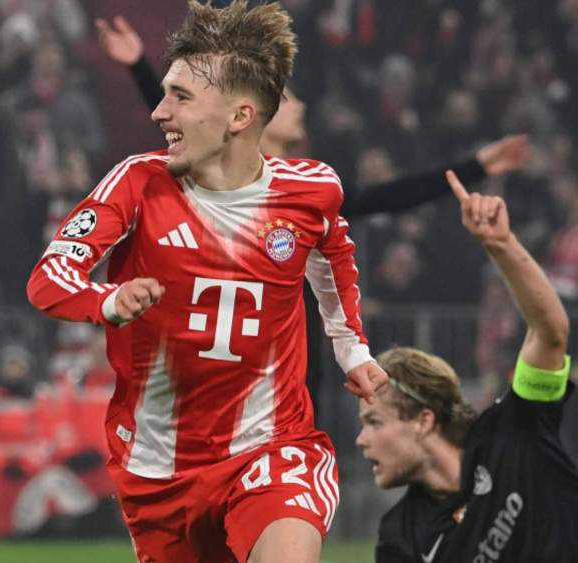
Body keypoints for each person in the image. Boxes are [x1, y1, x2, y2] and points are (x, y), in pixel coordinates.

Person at [27, 2, 387, 562]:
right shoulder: (136, 184)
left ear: (240, 117)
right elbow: (49, 281)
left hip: (272, 448)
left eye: (180, 97)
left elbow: (332, 253)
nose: (158, 112)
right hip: (157, 468)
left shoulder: (312, 190)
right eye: (165, 92)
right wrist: (110, 299)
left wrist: (352, 349)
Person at [95, 12, 531, 418]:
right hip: (217, 368)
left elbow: (391, 195)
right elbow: (189, 125)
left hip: (292, 372)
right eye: (286, 100)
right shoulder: (220, 176)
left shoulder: (308, 191)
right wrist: (139, 66)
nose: (299, 106)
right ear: (250, 116)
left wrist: (479, 166)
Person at [355, 171, 578, 562]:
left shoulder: (512, 432)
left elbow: (550, 334)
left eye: (375, 421)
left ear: (424, 420)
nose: (362, 440)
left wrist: (501, 245)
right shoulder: (401, 538)